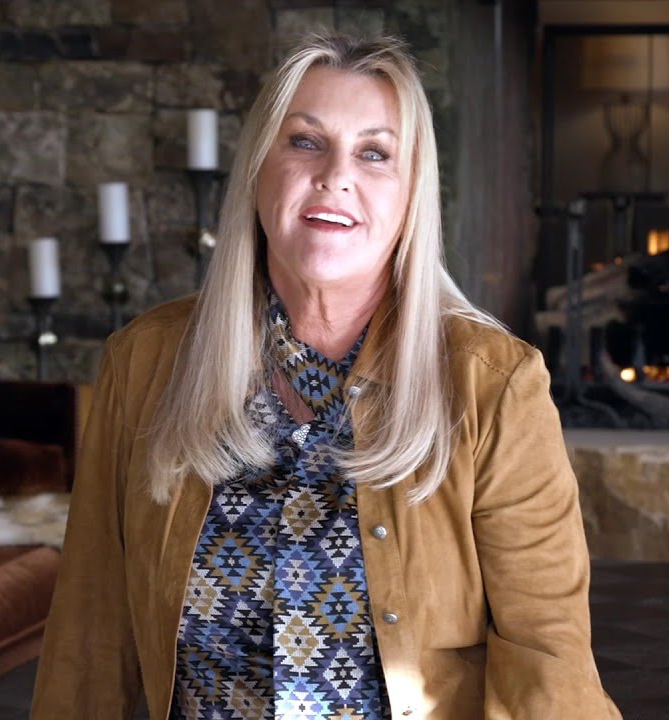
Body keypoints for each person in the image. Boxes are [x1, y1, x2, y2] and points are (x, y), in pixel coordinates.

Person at [30, 32, 622, 720]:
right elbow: (90, 631)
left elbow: (547, 657)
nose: (335, 175)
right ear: (258, 170)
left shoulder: (495, 384)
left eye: (374, 153)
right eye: (306, 142)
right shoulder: (144, 363)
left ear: (411, 194)